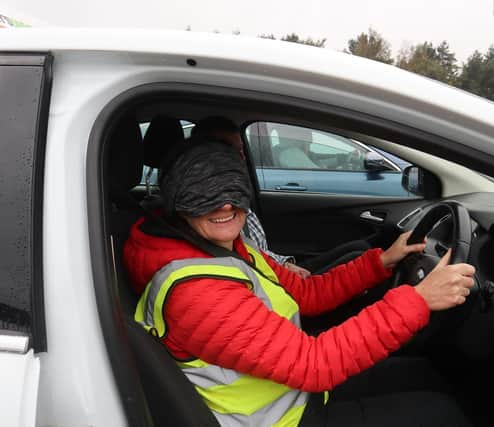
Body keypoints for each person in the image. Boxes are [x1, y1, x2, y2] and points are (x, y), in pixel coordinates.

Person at [124, 140, 475, 426]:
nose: (226, 205)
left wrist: (381, 262)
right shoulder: (197, 291)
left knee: (423, 373)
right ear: (177, 201)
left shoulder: (219, 248)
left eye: (234, 190)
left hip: (290, 391)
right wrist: (417, 300)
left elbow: (306, 295)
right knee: (440, 413)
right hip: (281, 419)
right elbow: (314, 366)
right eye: (205, 198)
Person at [190, 116, 370, 279]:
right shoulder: (209, 211)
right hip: (267, 279)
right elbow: (247, 266)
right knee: (360, 260)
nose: (242, 158)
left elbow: (256, 253)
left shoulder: (234, 194)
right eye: (231, 151)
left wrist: (284, 264)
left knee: (360, 248)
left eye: (242, 151)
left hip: (272, 268)